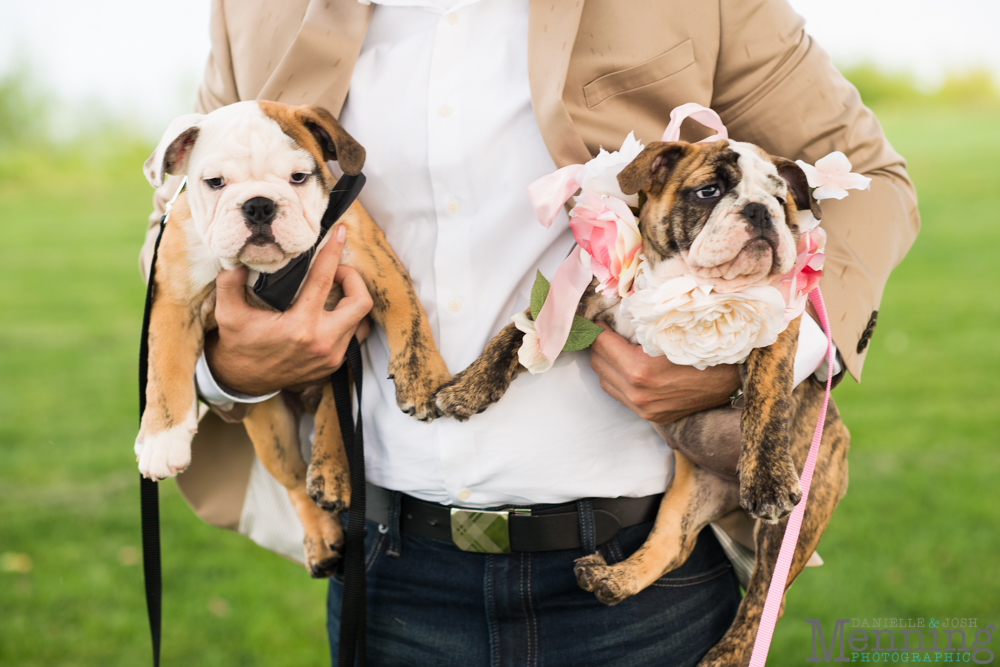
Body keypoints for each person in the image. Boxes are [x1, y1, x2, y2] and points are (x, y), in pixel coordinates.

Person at [141, 0, 919, 664]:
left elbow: (875, 183)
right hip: (385, 569)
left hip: (643, 578)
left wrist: (747, 365)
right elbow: (186, 228)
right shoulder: (250, 11)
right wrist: (231, 366)